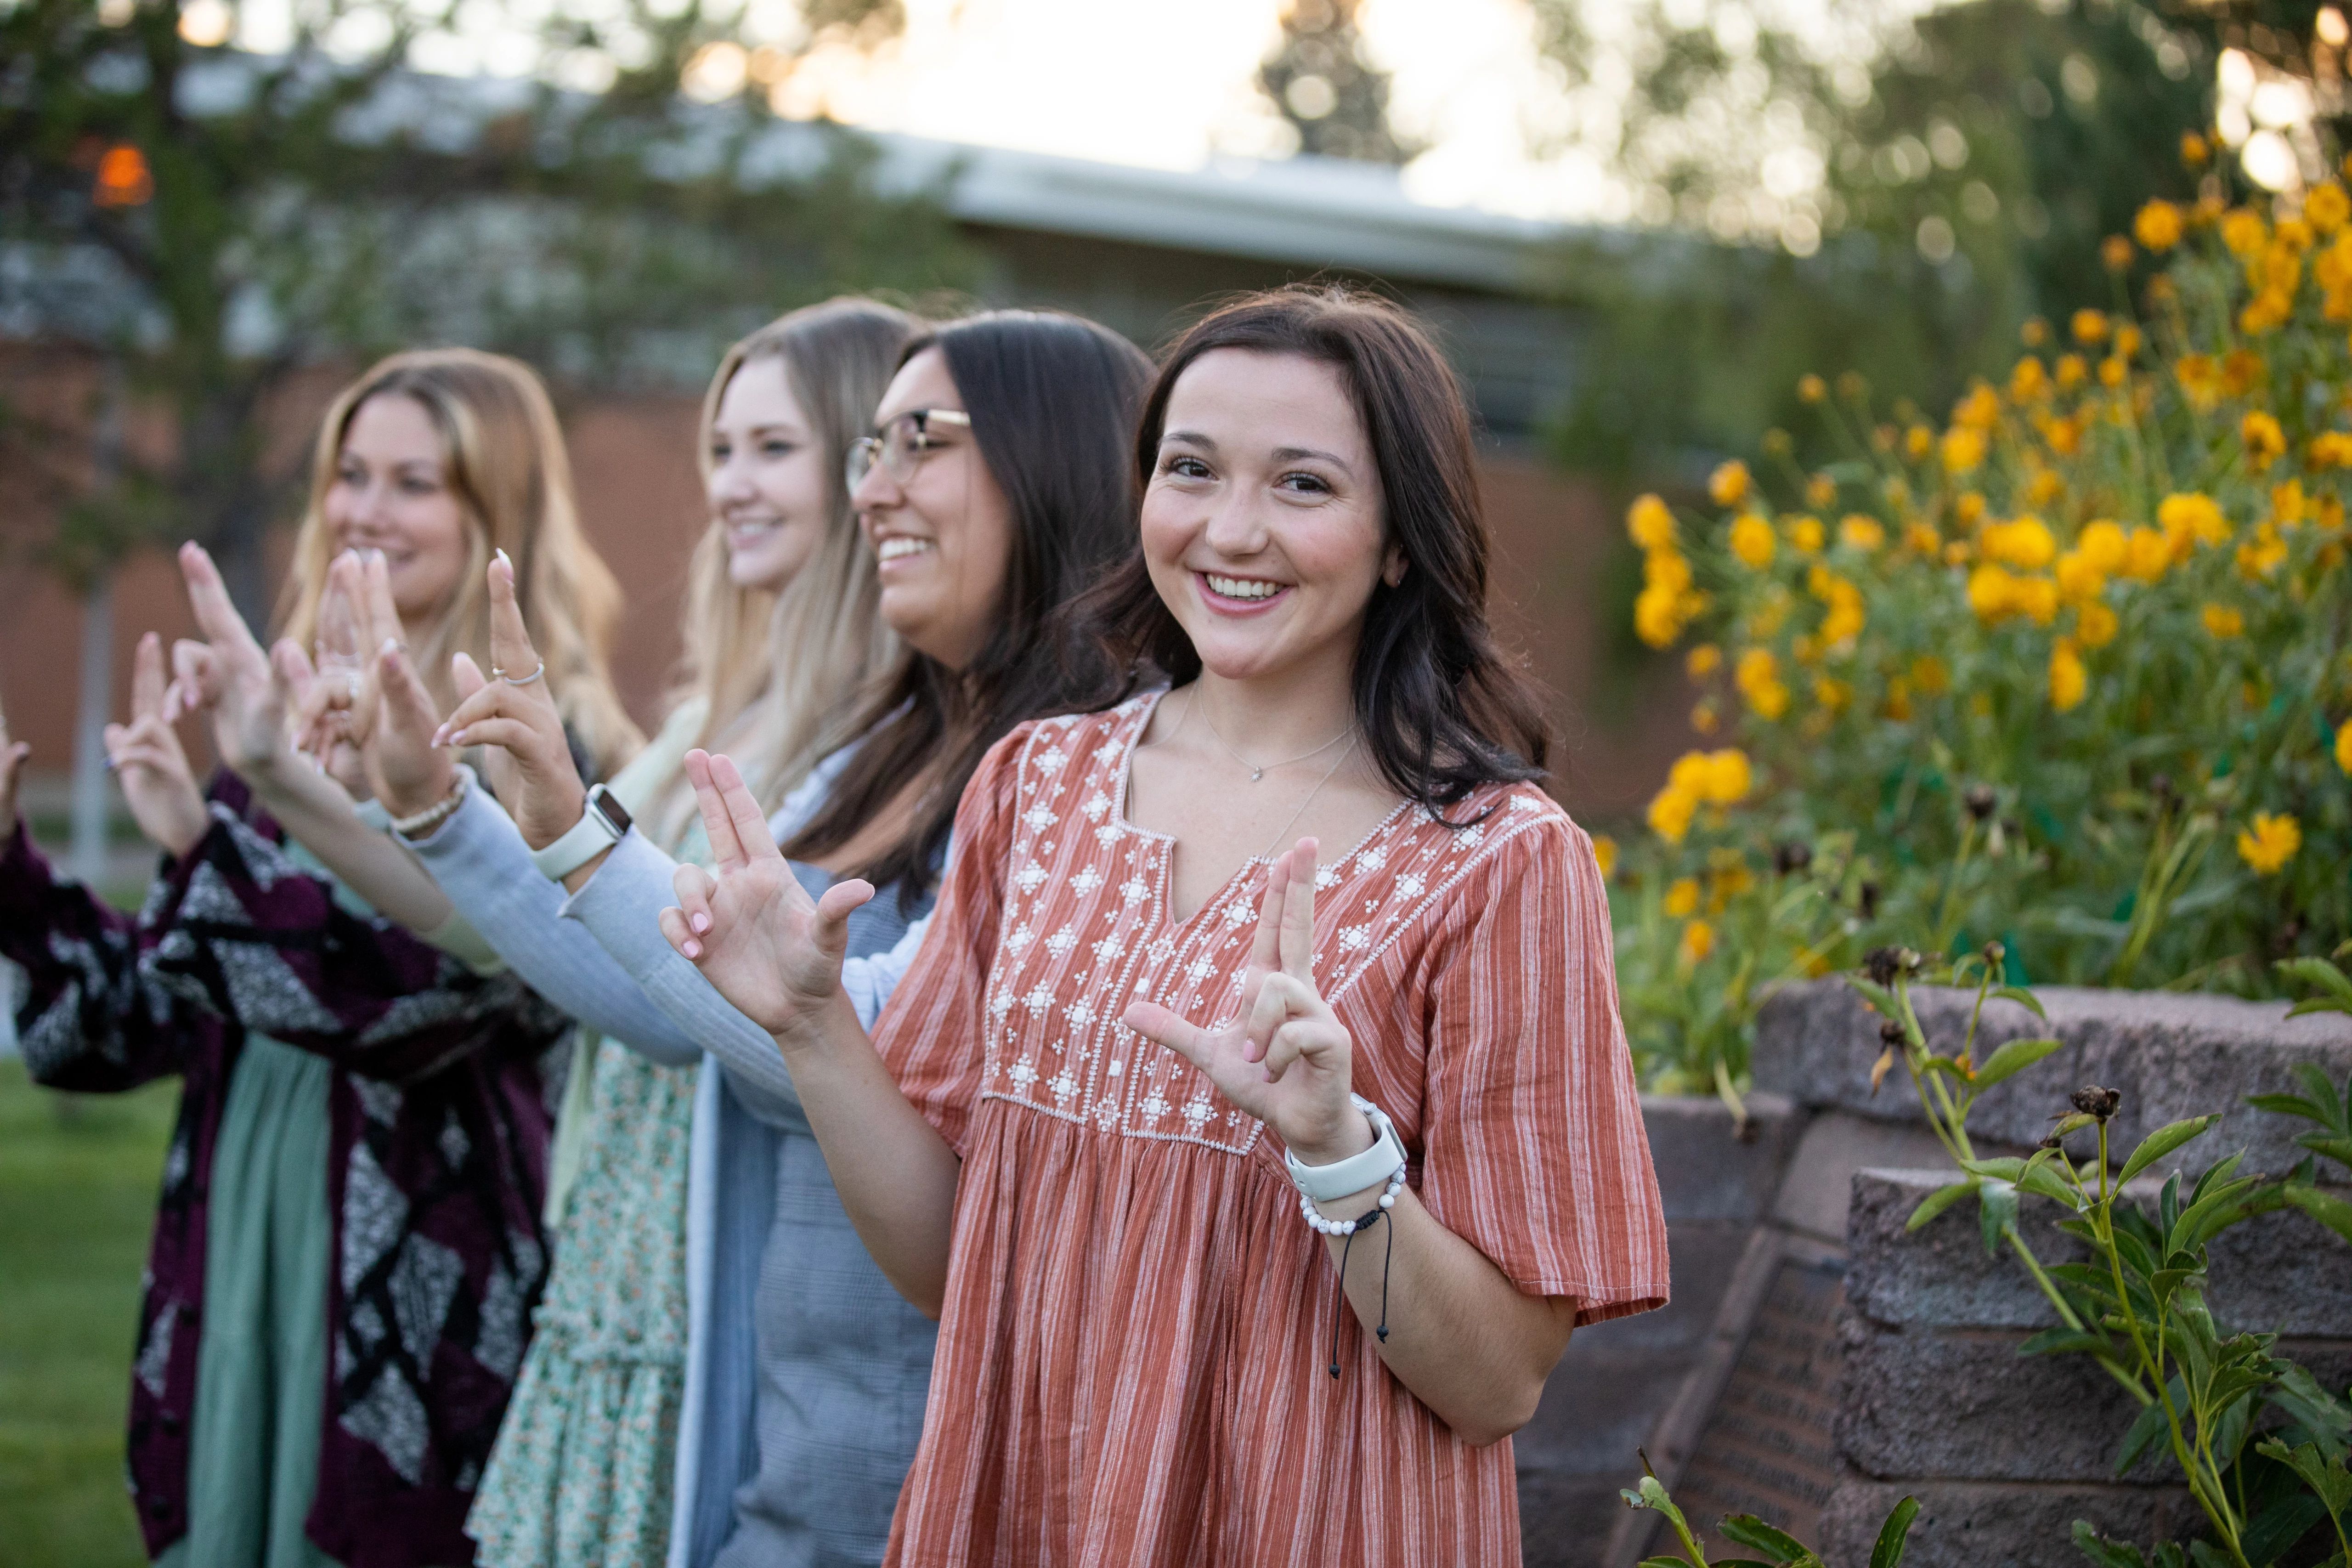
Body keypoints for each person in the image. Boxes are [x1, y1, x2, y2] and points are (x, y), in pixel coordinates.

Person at [664, 286, 1671, 1566]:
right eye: (1190, 471)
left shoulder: (1501, 865)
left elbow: (1501, 1385)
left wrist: (1333, 1150)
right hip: (1024, 1519)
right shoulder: (1036, 784)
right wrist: (813, 1026)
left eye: (1303, 486)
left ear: (1401, 538)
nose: (1231, 530)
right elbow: (948, 1267)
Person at [364, 309, 1157, 1567]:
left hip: (914, 1458)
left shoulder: (1103, 771)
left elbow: (868, 1033)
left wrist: (575, 835)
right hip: (802, 1441)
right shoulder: (891, 751)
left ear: (1050, 459)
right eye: (866, 450)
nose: (873, 490)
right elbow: (690, 995)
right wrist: (462, 816)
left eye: (917, 443)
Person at [0, 346, 638, 1568]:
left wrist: (256, 819)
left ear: (494, 513)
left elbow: (424, 1002)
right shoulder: (281, 720)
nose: (366, 509)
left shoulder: (550, 750)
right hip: (241, 1238)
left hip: (408, 1283)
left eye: (417, 481)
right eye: (351, 473)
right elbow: (137, 1021)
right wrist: (16, 876)